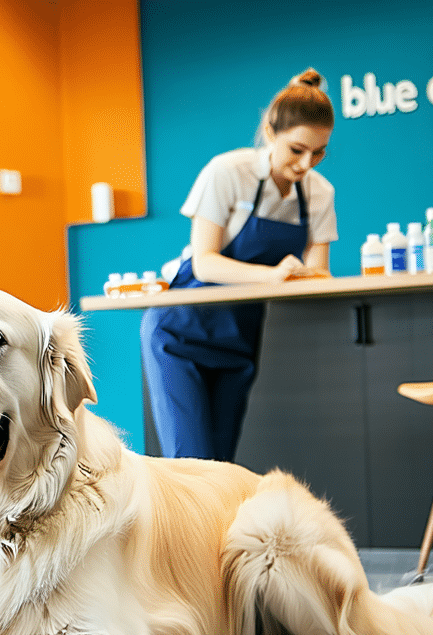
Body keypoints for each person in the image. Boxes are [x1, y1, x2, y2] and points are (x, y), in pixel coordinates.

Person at [139, 68, 337, 463]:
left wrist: (304, 275)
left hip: (238, 338)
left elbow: (319, 274)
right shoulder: (228, 172)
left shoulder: (319, 192)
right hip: (181, 332)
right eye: (297, 150)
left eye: (318, 153)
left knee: (224, 472)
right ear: (271, 132)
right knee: (192, 468)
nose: (306, 164)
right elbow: (205, 262)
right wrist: (274, 275)